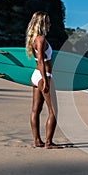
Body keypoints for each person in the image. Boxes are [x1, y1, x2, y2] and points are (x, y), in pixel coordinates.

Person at [26, 11, 59, 149]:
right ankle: (48, 142)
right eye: (47, 22)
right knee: (54, 111)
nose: (50, 24)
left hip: (36, 75)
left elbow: (38, 60)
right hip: (43, 76)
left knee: (36, 109)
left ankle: (37, 140)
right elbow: (40, 60)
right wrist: (45, 80)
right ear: (41, 23)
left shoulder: (34, 39)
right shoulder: (40, 39)